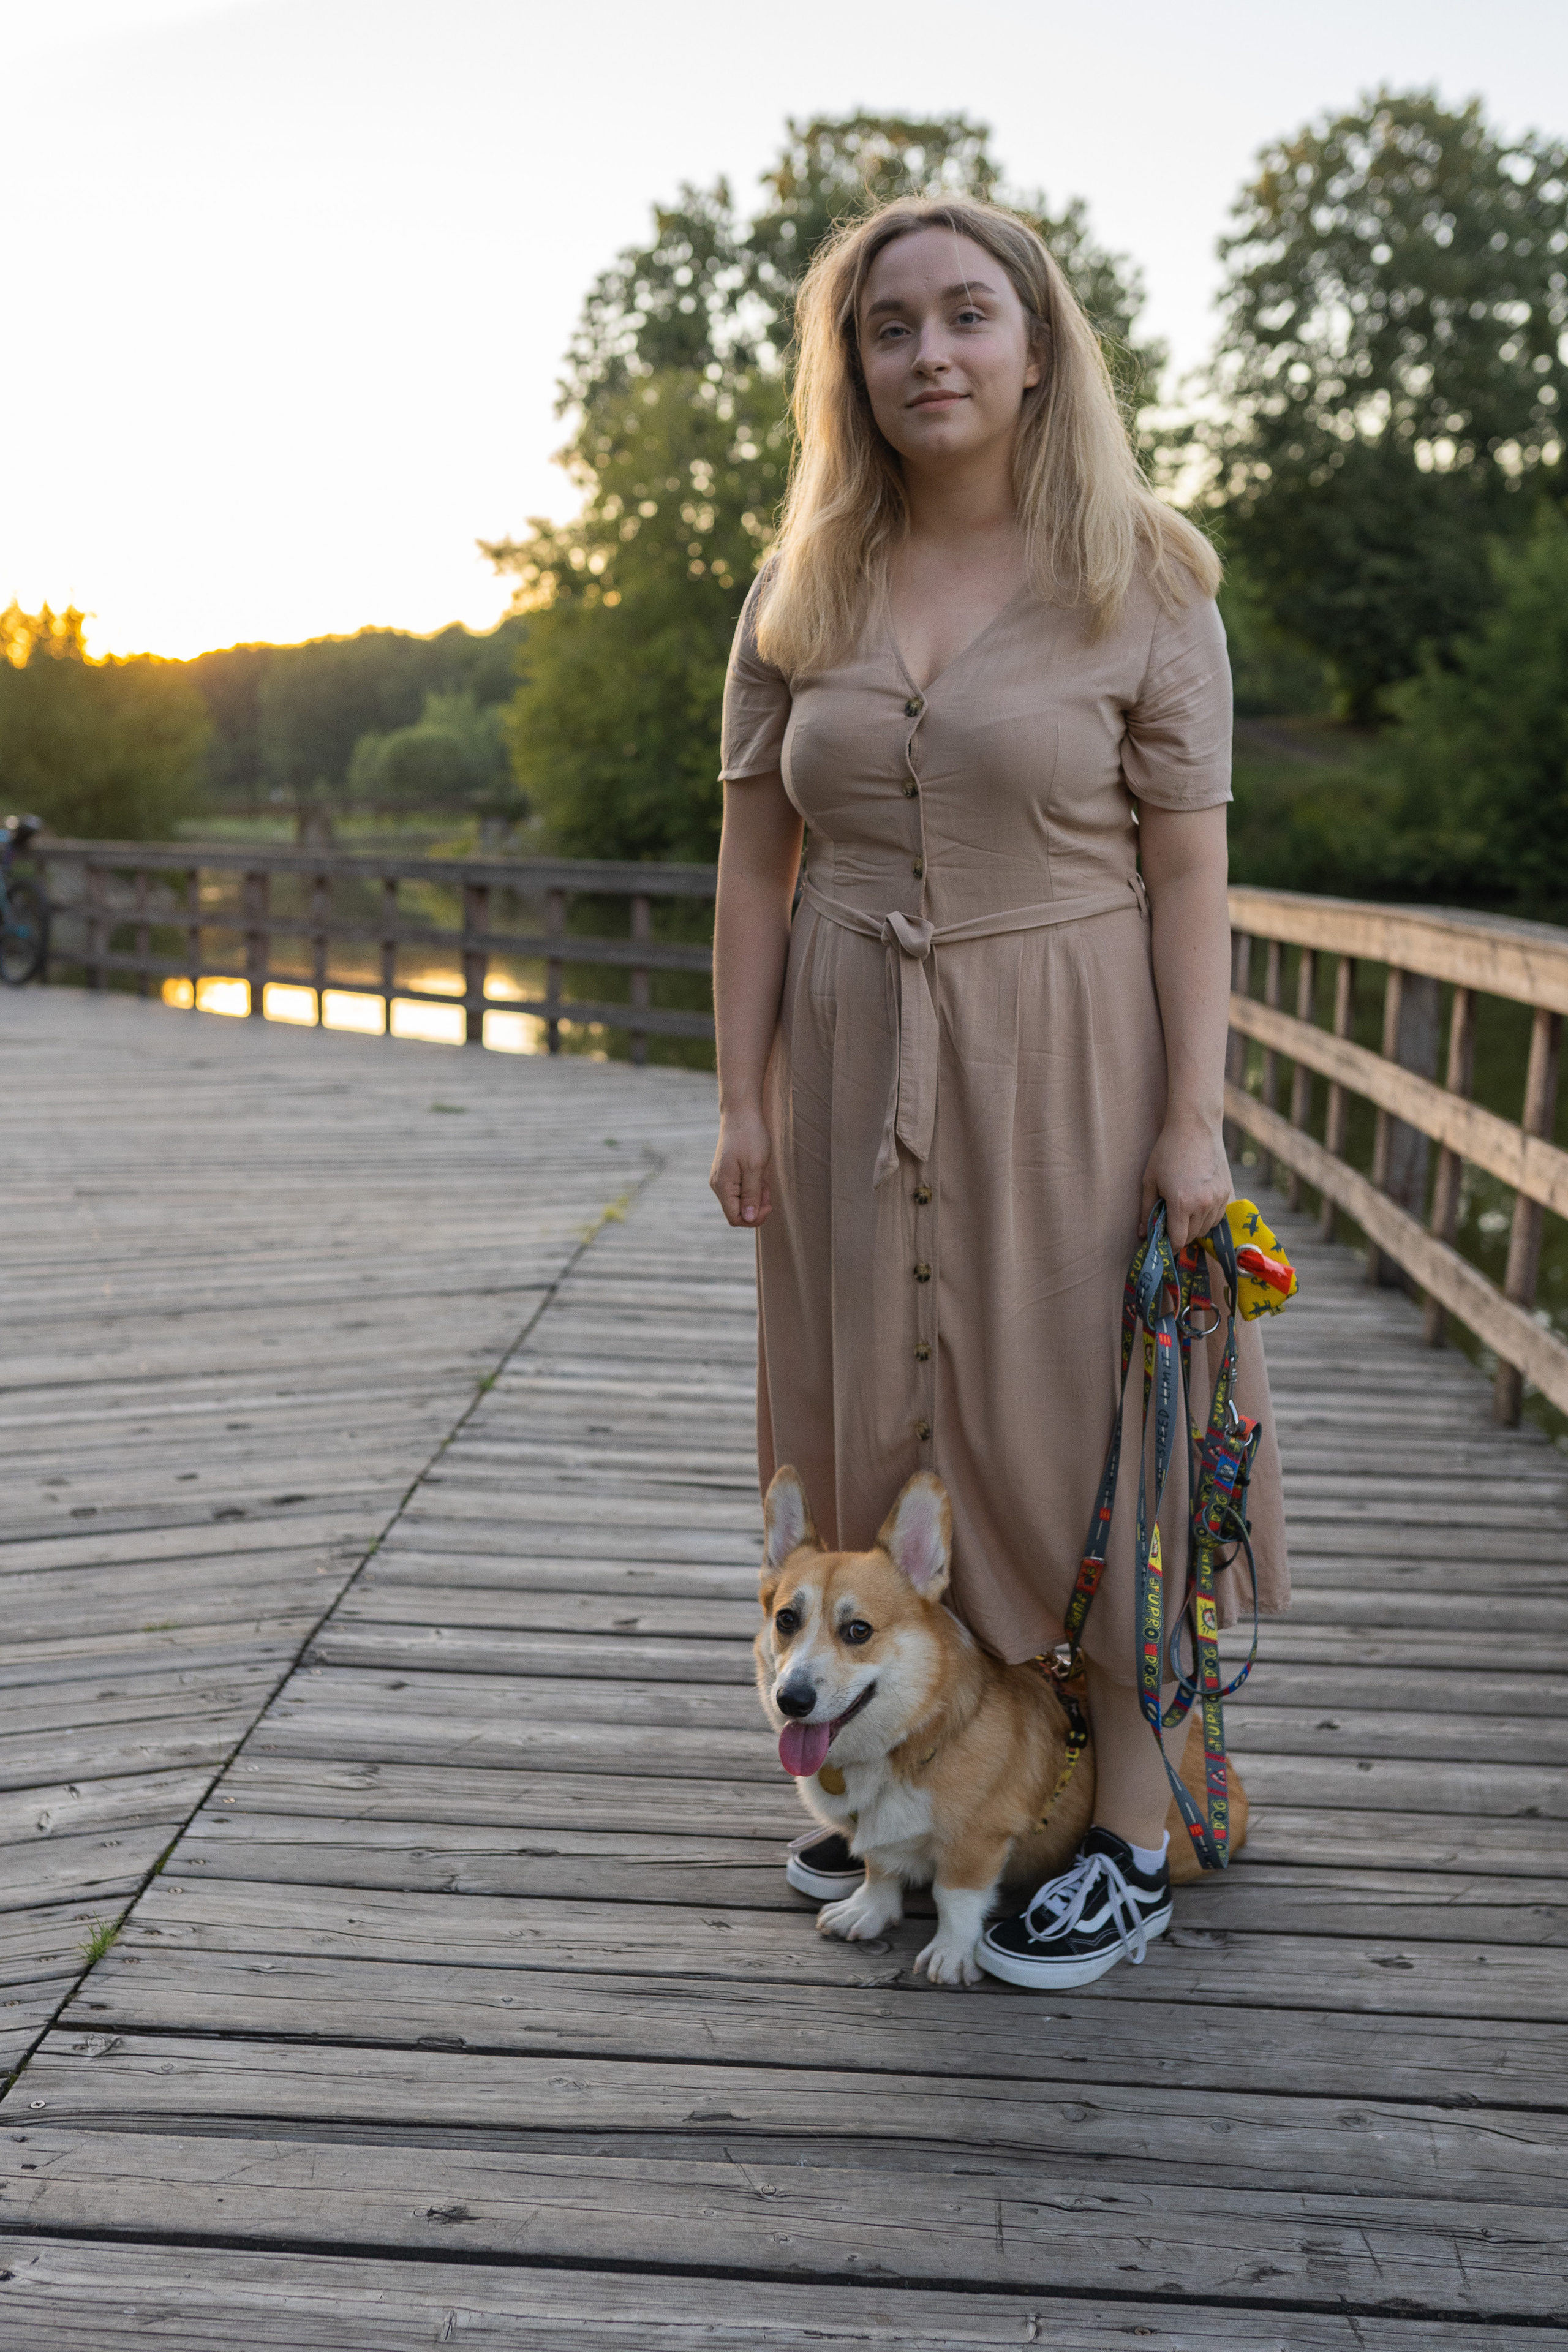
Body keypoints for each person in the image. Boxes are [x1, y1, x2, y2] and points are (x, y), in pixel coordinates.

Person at [709, 197, 1287, 1989]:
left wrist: (1193, 1116)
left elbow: (1190, 874)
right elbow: (750, 862)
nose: (930, 353)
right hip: (852, 1060)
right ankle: (916, 1795)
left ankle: (1123, 1821)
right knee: (876, 1432)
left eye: (970, 316)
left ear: (1040, 348)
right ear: (852, 365)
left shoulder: (1144, 576)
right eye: (892, 327)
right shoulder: (800, 585)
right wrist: (744, 1098)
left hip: (1073, 1051)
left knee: (1079, 1431)